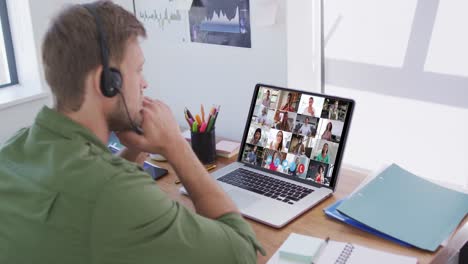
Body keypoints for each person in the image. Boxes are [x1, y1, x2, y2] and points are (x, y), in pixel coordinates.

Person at [0, 2, 263, 263]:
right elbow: (244, 252)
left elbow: (88, 190)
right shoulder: (115, 194)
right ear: (107, 83)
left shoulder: (13, 151)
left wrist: (136, 147)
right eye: (138, 70)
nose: (145, 82)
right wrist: (176, 146)